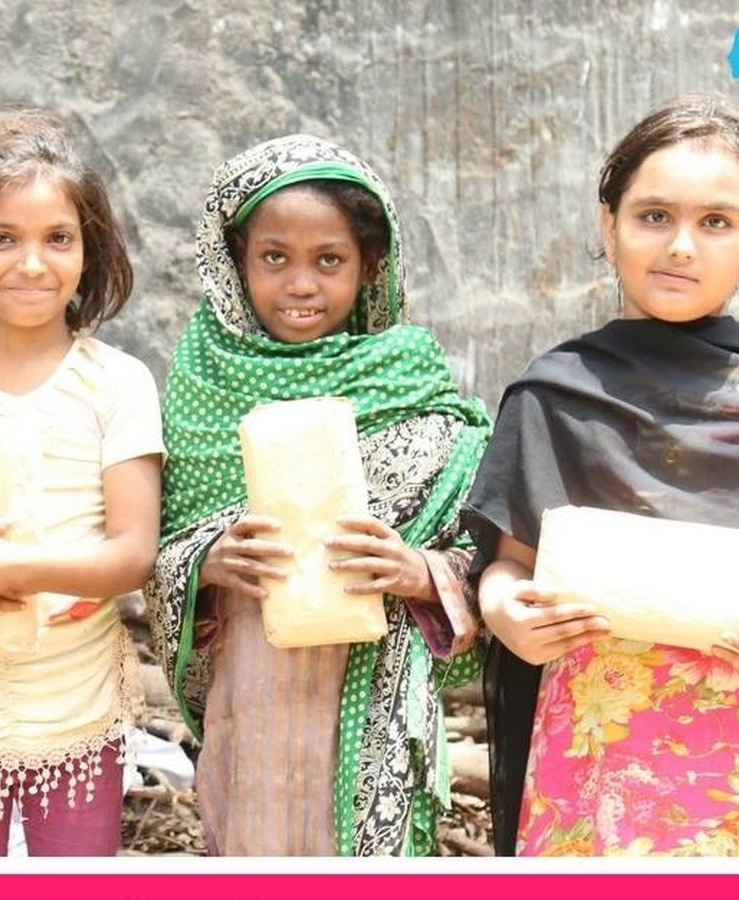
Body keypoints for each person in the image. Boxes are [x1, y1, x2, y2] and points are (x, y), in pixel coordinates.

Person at [465, 94, 739, 856]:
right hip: (595, 766)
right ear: (608, 224)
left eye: (716, 222)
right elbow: (509, 564)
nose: (681, 245)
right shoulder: (557, 392)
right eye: (654, 216)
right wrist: (509, 614)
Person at [145, 134, 491, 856]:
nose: (301, 284)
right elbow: (165, 543)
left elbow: (481, 546)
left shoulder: (409, 374)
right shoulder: (205, 376)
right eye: (275, 258)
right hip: (254, 683)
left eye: (329, 260)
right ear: (236, 261)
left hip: (376, 686)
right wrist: (206, 562)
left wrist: (420, 571)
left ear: (369, 267)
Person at [0, 110, 163, 857]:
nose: (32, 263)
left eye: (58, 238)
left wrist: (10, 569)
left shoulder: (117, 385)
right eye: (2, 238)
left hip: (75, 702)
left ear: (90, 251)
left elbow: (133, 553)